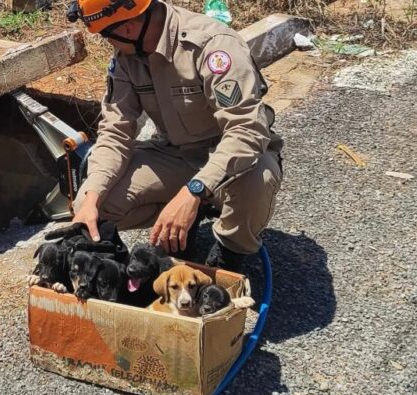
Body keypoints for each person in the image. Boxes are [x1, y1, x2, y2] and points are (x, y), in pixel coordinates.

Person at [66, 0, 283, 271]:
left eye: (106, 36)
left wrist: (193, 191)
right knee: (94, 204)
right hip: (176, 154)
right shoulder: (126, 60)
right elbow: (114, 133)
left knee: (258, 180)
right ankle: (181, 225)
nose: (108, 44)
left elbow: (246, 131)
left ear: (130, 28)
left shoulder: (213, 46)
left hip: (229, 158)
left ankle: (229, 254)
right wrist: (92, 198)